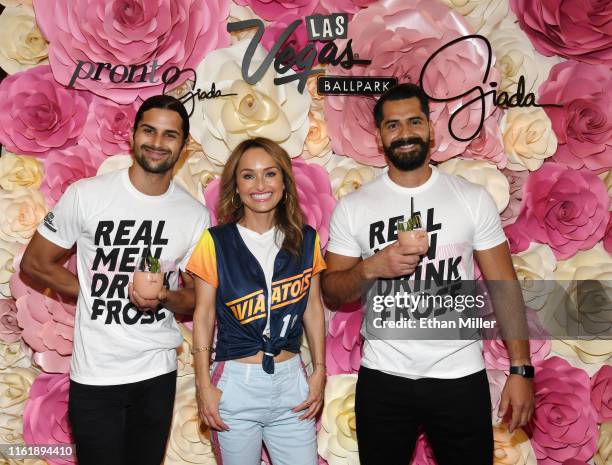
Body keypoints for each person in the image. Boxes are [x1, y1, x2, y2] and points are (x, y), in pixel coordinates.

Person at [321, 83, 534, 465]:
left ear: (430, 130)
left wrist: (521, 369)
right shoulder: (353, 207)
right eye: (393, 125)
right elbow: (332, 291)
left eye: (414, 122)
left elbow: (504, 287)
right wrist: (373, 267)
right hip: (384, 377)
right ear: (380, 136)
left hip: (460, 376)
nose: (404, 133)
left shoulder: (471, 199)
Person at [21, 95, 210, 465]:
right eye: (149, 131)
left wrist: (163, 298)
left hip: (156, 371)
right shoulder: (87, 196)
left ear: (184, 145)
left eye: (170, 135)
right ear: (133, 136)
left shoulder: (194, 215)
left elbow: (198, 299)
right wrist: (93, 290)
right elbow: (35, 263)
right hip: (96, 372)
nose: (157, 143)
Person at [186, 137, 326, 465]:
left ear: (284, 182)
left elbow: (313, 307)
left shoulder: (307, 239)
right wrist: (203, 384)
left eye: (270, 174)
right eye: (248, 175)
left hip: (292, 384)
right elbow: (203, 316)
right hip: (235, 385)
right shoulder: (215, 241)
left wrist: (319, 370)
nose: (260, 184)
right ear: (235, 186)